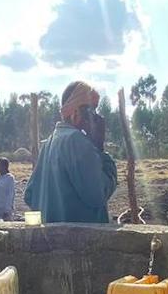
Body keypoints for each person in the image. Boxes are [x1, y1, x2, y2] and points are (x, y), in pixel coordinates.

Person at [23, 81, 117, 223]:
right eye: (92, 111)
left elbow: (30, 195)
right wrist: (100, 149)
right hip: (80, 242)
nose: (97, 118)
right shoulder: (78, 142)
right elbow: (97, 194)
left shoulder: (49, 143)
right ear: (76, 112)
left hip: (50, 240)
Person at [0, 156, 16, 221]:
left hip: (5, 208)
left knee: (7, 227)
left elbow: (10, 194)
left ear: (4, 166)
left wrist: (7, 210)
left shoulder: (9, 178)